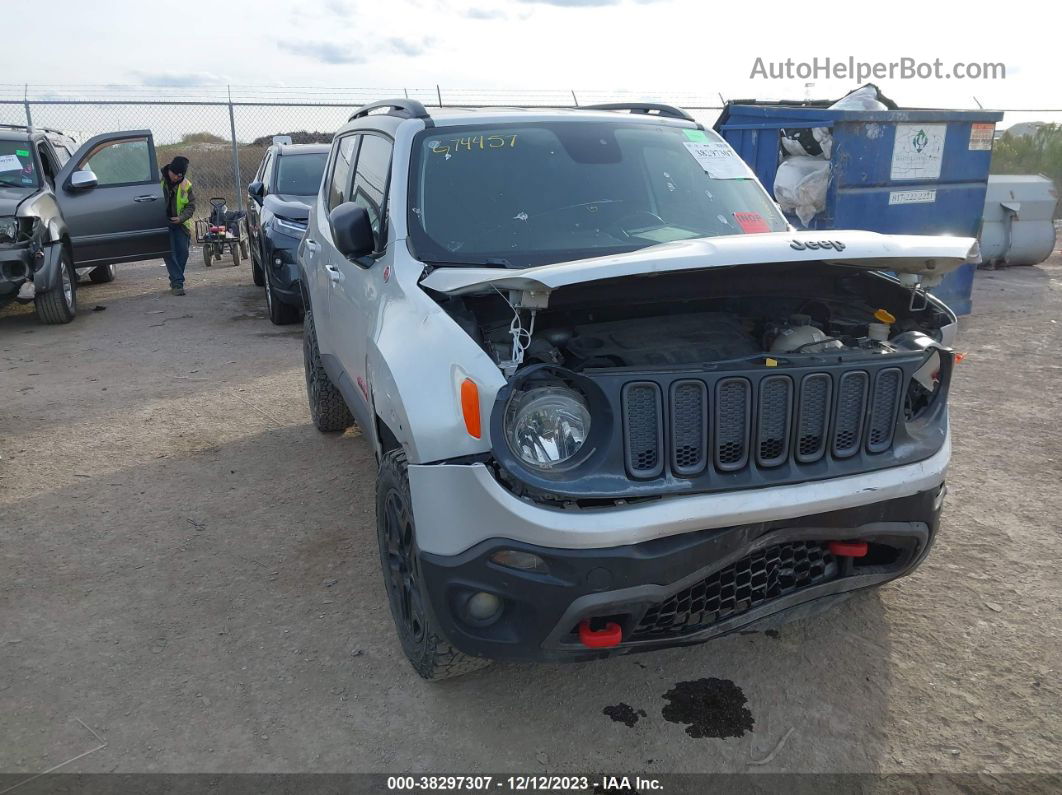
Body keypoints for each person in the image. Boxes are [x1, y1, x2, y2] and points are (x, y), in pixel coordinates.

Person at [161, 156, 195, 296]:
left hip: (181, 224)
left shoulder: (186, 184)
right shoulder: (158, 181)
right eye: (175, 175)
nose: (177, 178)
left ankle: (175, 278)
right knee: (170, 253)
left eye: (180, 175)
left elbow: (191, 206)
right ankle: (177, 283)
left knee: (183, 253)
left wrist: (181, 218)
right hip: (163, 224)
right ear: (170, 170)